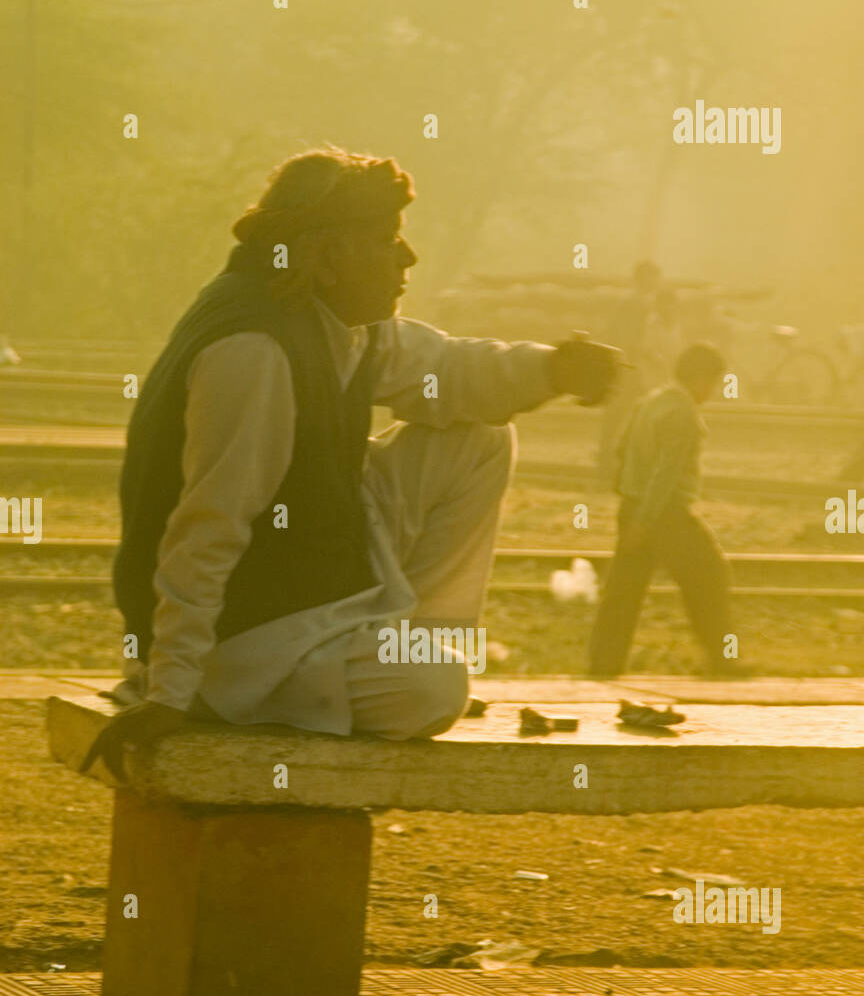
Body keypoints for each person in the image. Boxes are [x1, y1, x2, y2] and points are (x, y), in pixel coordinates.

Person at [83, 146, 620, 778]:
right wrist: (169, 686)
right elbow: (208, 526)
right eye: (389, 240)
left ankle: (394, 642)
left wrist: (552, 369)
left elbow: (445, 369)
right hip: (238, 639)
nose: (407, 257)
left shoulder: (334, 319)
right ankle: (257, 687)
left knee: (478, 440)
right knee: (434, 692)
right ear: (331, 255)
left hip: (300, 596)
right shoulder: (253, 350)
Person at [587, 341, 734, 679]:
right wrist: (646, 520)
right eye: (713, 382)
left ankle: (603, 664)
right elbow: (665, 474)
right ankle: (723, 660)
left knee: (623, 591)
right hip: (667, 515)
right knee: (710, 575)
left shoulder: (650, 402)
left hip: (634, 506)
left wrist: (630, 503)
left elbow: (621, 449)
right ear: (700, 378)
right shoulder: (682, 413)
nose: (712, 391)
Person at [596, 260, 663, 481]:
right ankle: (611, 468)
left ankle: (613, 467)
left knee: (623, 418)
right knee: (621, 418)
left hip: (626, 367)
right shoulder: (635, 303)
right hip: (627, 369)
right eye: (654, 277)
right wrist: (648, 360)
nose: (657, 282)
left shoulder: (637, 301)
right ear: (643, 278)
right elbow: (629, 340)